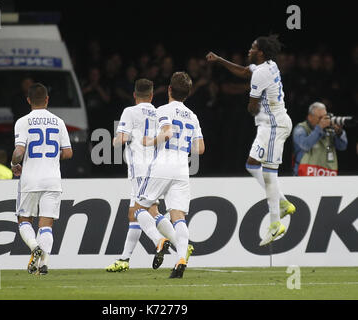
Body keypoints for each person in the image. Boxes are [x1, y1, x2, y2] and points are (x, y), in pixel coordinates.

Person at [206, 34, 296, 247]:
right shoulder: (269, 65)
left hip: (274, 125)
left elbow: (252, 106)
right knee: (251, 164)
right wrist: (219, 60)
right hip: (269, 125)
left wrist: (251, 106)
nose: (249, 50)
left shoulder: (262, 73)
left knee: (268, 172)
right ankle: (282, 202)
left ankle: (275, 223)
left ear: (261, 52)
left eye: (252, 48)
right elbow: (245, 71)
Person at [106, 79, 190, 272]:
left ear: (134, 95)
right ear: (152, 95)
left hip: (138, 169)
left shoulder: (130, 111)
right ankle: (125, 259)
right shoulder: (159, 111)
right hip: (156, 167)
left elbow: (122, 139)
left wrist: (115, 140)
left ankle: (163, 241)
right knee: (143, 212)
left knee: (139, 211)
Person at [132, 72, 205, 278]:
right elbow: (199, 148)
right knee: (178, 216)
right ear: (188, 94)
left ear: (170, 90)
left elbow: (167, 132)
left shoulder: (163, 109)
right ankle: (181, 258)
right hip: (182, 167)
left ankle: (159, 239)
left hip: (163, 163)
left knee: (139, 209)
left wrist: (149, 141)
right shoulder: (193, 116)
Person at [11, 83, 73, 275]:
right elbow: (69, 153)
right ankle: (43, 264)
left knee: (24, 220)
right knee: (46, 224)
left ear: (28, 100)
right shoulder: (59, 122)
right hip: (53, 180)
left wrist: (14, 165)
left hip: (30, 180)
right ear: (47, 99)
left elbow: (19, 151)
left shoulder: (23, 121)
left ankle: (34, 247)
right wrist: (52, 157)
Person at [292, 102, 348, 176]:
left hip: (326, 174)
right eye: (320, 117)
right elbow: (305, 145)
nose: (324, 120)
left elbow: (342, 147)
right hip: (305, 175)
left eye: (325, 117)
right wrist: (320, 128)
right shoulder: (300, 129)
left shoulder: (329, 129)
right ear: (310, 117)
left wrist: (339, 132)